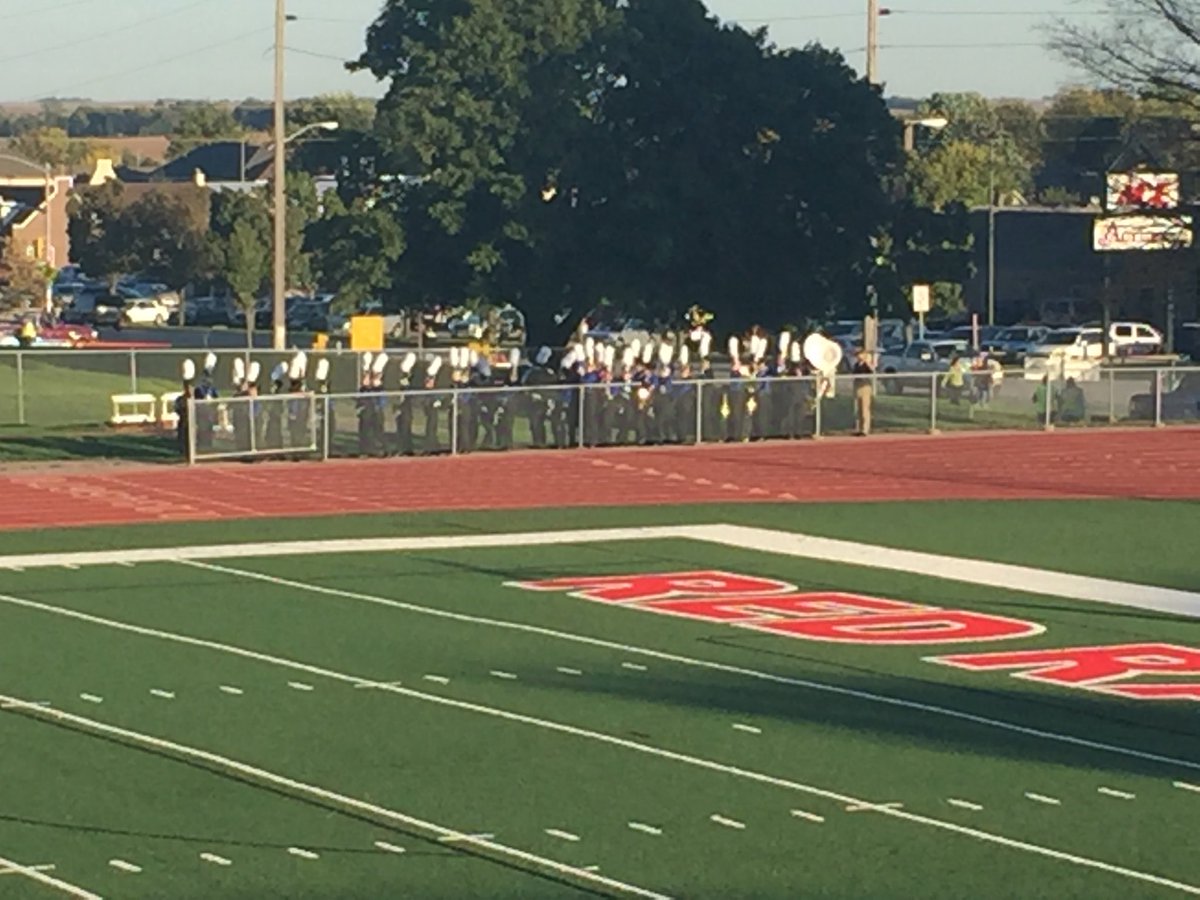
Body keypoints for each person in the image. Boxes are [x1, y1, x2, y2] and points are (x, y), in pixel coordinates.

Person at [852, 348, 874, 436]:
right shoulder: (857, 365)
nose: (858, 356)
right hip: (857, 386)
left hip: (865, 386)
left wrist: (869, 362)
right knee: (858, 409)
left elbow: (872, 371)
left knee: (865, 408)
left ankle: (865, 429)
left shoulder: (866, 364)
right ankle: (858, 428)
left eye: (860, 354)